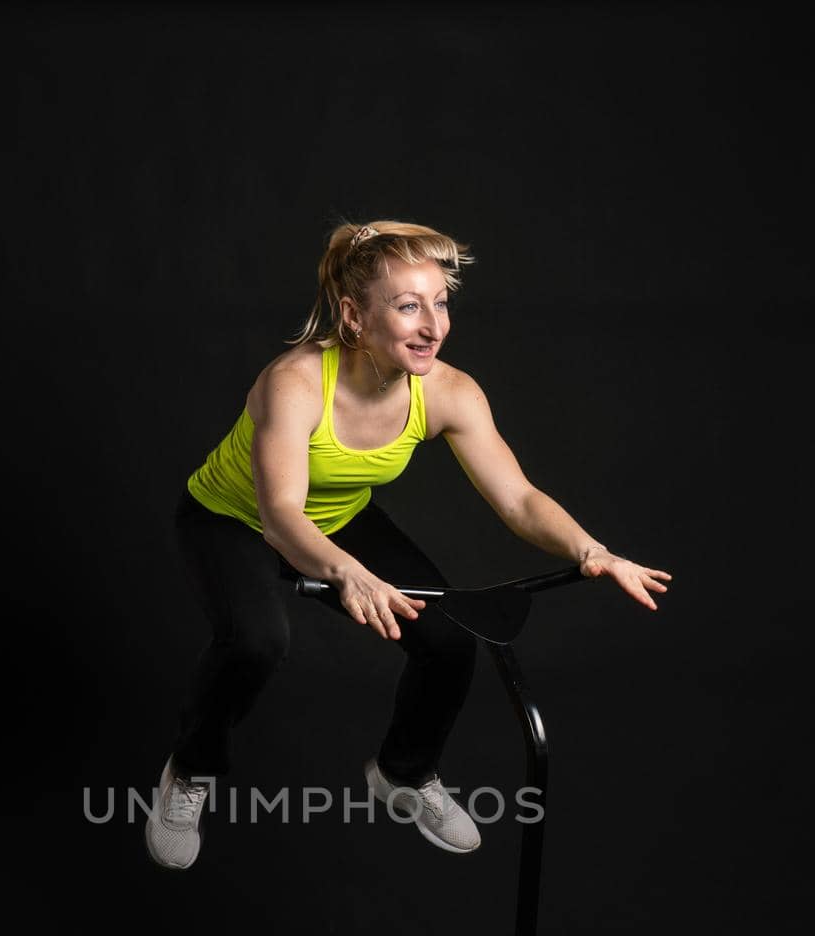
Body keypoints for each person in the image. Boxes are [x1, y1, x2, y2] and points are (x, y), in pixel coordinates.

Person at [146, 219, 671, 870]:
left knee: (449, 643)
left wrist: (591, 550)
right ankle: (191, 770)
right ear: (354, 315)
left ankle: (402, 772)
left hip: (337, 516)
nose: (433, 325)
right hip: (233, 518)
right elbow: (279, 516)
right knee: (256, 641)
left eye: (441, 303)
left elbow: (518, 499)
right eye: (407, 306)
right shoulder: (295, 381)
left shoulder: (450, 393)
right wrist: (347, 574)